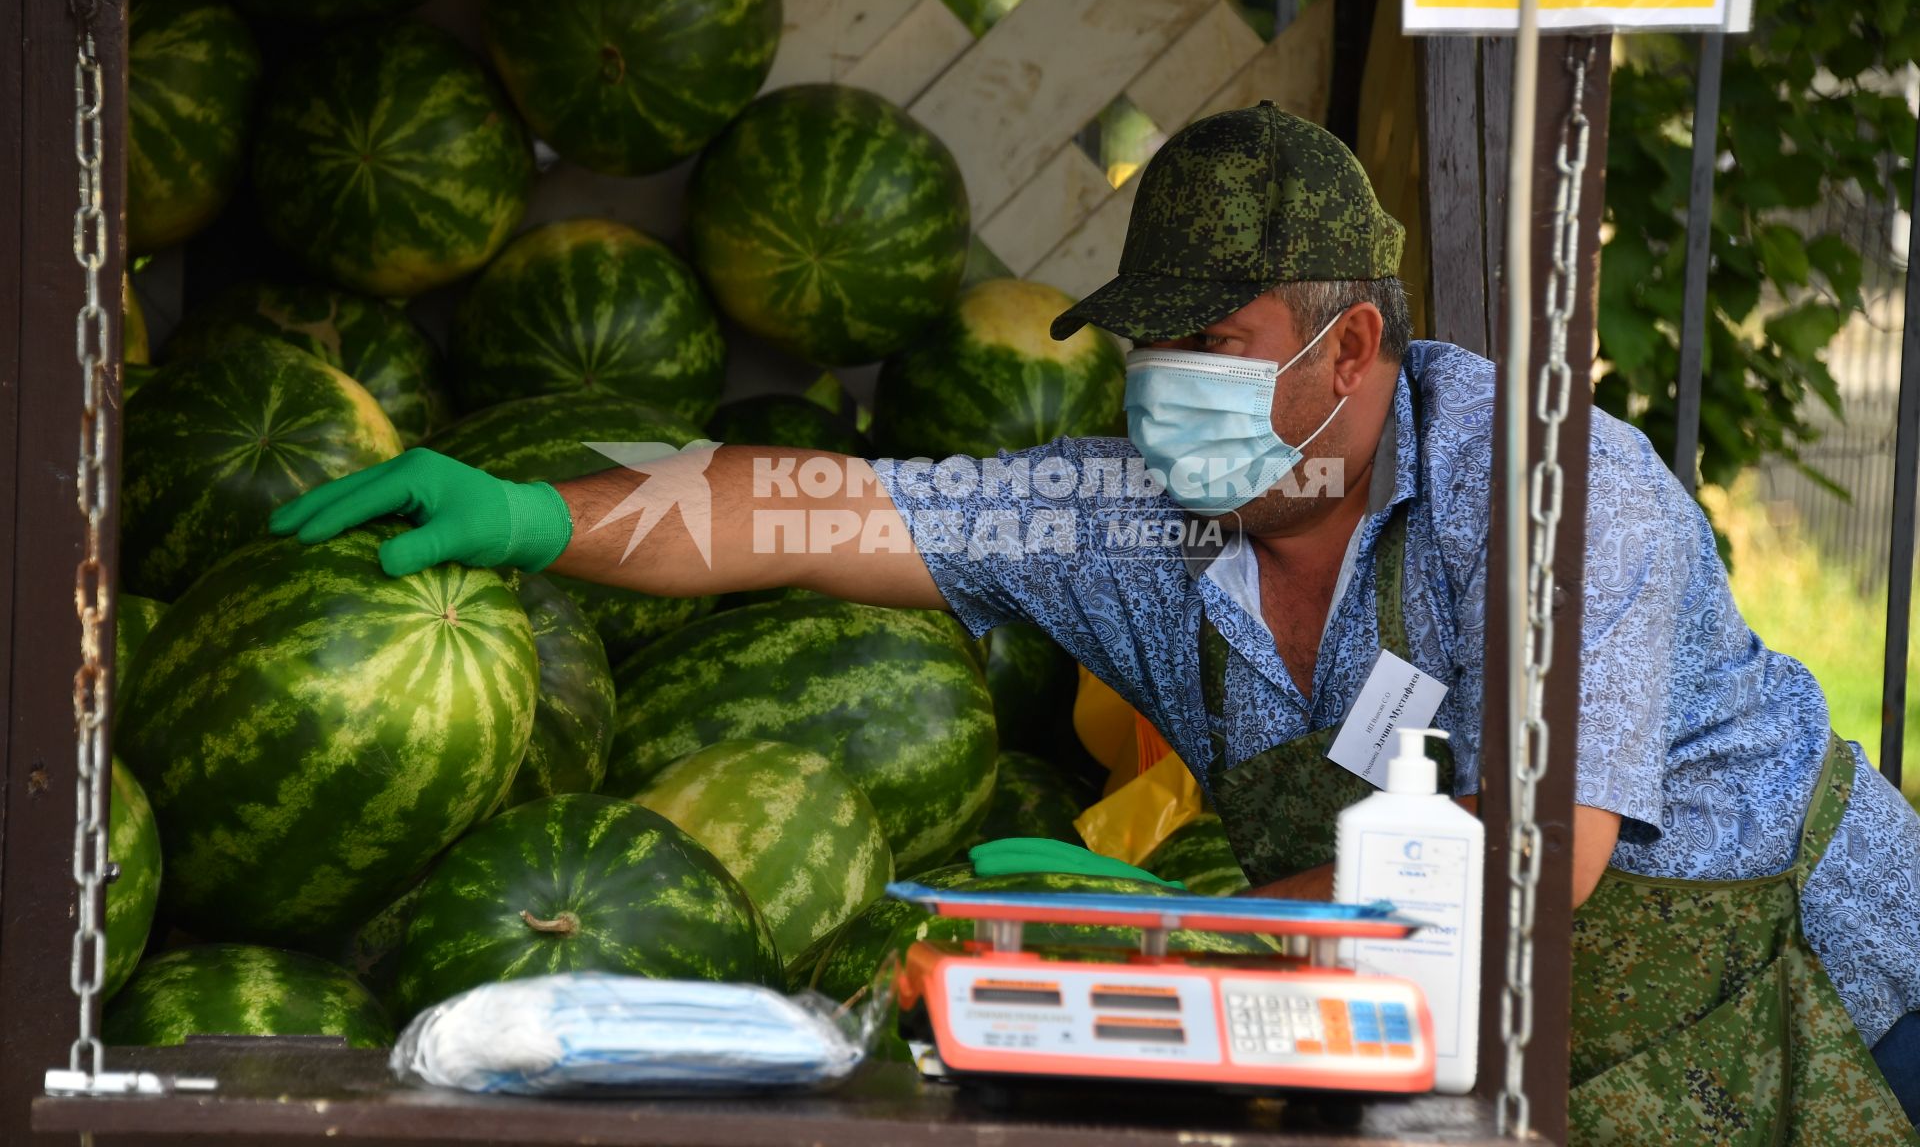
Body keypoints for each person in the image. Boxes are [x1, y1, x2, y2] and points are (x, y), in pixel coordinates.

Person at [274, 102, 1920, 1142]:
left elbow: (1530, 854)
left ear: (1350, 354)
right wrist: (539, 516)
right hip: (1555, 1068)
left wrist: (1153, 937)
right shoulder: (1133, 521)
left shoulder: (1555, 488)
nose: (1162, 388)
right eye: (1144, 344)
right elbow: (812, 511)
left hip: (1840, 1006)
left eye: (1210, 338)